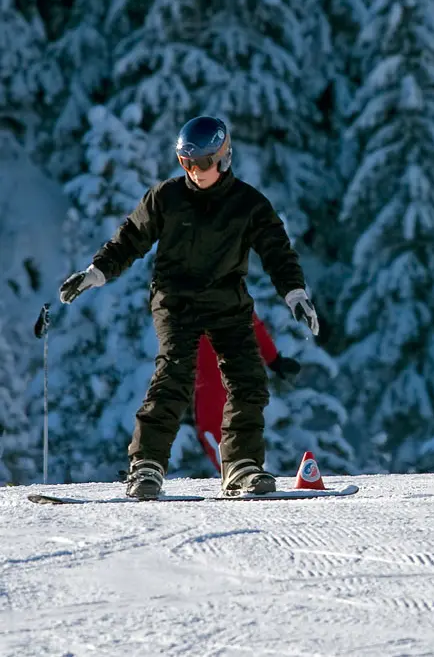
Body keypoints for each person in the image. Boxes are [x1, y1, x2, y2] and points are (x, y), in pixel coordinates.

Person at [57, 115, 320, 499]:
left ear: (224, 158)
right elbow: (130, 239)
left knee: (248, 380)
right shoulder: (166, 198)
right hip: (175, 301)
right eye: (186, 163)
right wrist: (96, 273)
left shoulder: (249, 205)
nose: (195, 172)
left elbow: (278, 253)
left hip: (227, 303)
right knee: (175, 375)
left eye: (203, 163)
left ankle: (241, 465)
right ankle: (146, 465)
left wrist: (295, 294)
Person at [193, 313, 302, 472]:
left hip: (220, 356)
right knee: (218, 417)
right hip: (208, 354)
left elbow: (251, 320)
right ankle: (238, 468)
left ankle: (241, 468)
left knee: (226, 416)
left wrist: (273, 359)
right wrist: (272, 358)